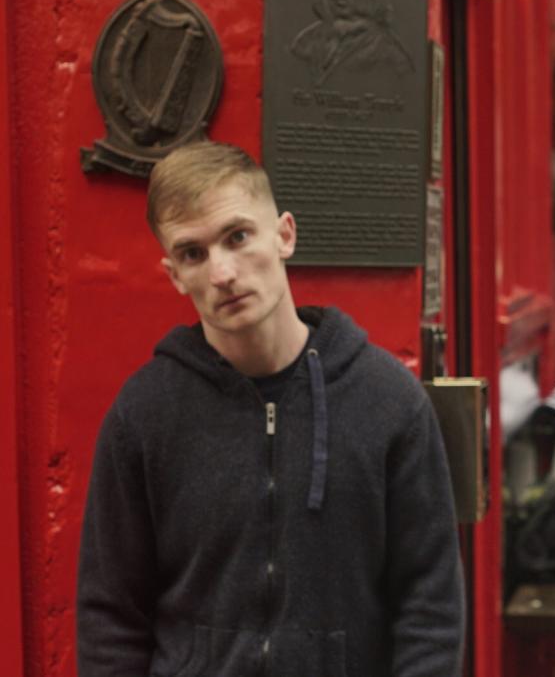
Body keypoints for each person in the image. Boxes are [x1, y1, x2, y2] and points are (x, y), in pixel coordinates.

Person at [76, 142, 464, 676]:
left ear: (285, 234)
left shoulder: (388, 401)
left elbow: (431, 607)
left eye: (238, 237)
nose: (222, 273)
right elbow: (110, 616)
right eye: (194, 253)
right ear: (173, 275)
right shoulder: (144, 414)